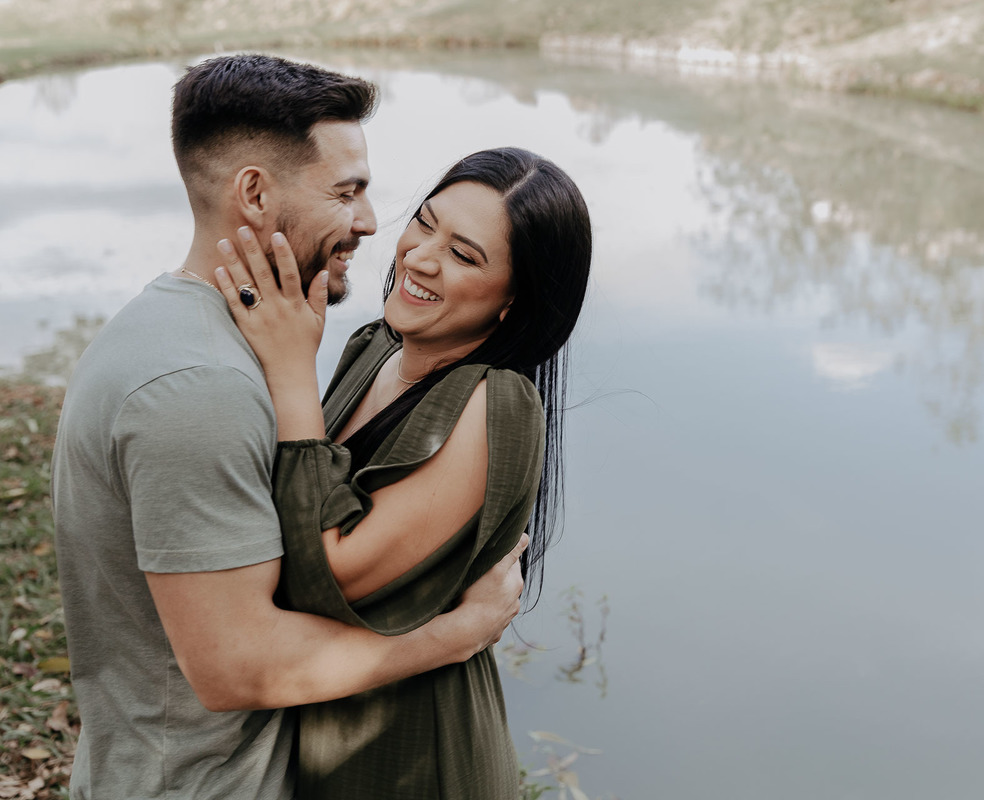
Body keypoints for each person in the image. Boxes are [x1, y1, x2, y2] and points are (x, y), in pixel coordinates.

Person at [50, 54, 526, 800]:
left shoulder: (176, 334)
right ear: (255, 193)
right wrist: (454, 637)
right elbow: (241, 666)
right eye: (347, 192)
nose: (374, 224)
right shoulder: (198, 388)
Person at [211, 146, 592, 798]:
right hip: (323, 721)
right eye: (425, 221)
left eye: (464, 255)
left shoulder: (494, 403)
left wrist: (292, 373)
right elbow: (294, 486)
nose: (418, 256)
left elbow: (326, 573)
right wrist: (245, 292)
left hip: (412, 754)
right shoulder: (374, 346)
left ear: (514, 303)